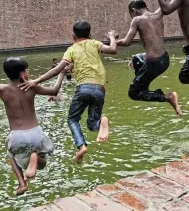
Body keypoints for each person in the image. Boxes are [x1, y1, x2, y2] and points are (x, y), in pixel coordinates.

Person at [20, 20, 117, 164]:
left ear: (73, 36)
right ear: (90, 35)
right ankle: (102, 122)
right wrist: (112, 37)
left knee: (72, 119)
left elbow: (56, 70)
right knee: (92, 124)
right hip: (100, 89)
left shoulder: (71, 49)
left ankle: (81, 146)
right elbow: (113, 50)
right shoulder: (95, 43)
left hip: (83, 88)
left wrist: (36, 81)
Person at [0, 57, 66, 196]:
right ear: (22, 74)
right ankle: (36, 157)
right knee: (43, 163)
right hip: (36, 134)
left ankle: (21, 184)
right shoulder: (32, 87)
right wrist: (62, 74)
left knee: (11, 155)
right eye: (27, 70)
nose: (29, 72)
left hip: (17, 136)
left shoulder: (1, 89)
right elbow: (55, 90)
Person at [116, 0, 181, 116]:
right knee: (136, 58)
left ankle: (167, 97)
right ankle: (143, 86)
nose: (132, 17)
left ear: (134, 11)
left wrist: (112, 41)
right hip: (165, 59)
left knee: (133, 93)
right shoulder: (158, 13)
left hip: (154, 63)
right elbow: (165, 4)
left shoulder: (137, 19)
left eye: (131, 14)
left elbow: (126, 42)